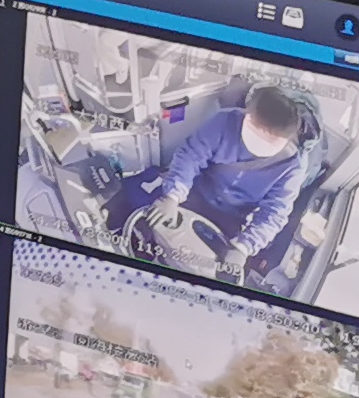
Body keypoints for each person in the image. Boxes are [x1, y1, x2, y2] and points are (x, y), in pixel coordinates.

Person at [138, 86, 327, 286]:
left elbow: (275, 212)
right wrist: (173, 195)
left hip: (232, 218)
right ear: (248, 115)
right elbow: (191, 155)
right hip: (195, 191)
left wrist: (244, 247)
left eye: (270, 139)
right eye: (257, 131)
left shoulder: (293, 166)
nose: (261, 142)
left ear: (286, 138)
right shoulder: (225, 121)